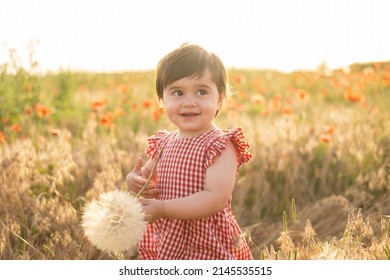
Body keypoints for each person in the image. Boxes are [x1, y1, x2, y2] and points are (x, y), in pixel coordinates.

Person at [126, 43, 253, 260]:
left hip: (205, 240)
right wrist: (135, 179)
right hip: (170, 235)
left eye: (202, 91)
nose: (189, 102)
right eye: (178, 92)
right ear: (162, 99)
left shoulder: (220, 145)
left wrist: (164, 208)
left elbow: (216, 198)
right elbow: (148, 177)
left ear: (220, 97)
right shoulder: (164, 143)